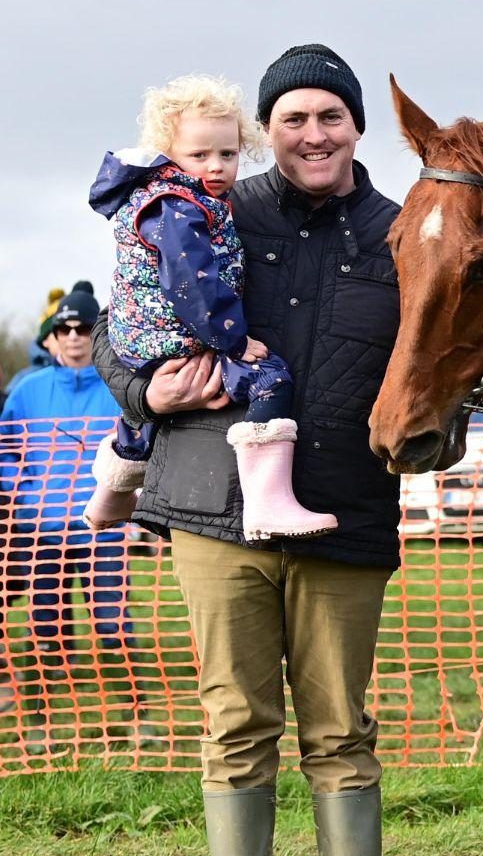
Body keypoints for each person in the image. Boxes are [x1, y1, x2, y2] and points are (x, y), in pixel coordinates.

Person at [93, 43, 403, 856]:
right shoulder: (210, 201)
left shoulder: (400, 232)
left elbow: (438, 363)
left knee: (342, 728)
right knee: (234, 722)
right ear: (268, 130)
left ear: (357, 125)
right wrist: (149, 387)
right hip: (214, 510)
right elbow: (118, 324)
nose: (314, 133)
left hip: (344, 514)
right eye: (295, 118)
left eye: (331, 116)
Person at [84, 75, 333, 540]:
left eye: (228, 153)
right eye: (199, 155)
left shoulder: (183, 200)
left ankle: (110, 495)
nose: (216, 166)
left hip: (143, 337)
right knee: (269, 378)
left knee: (145, 415)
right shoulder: (179, 207)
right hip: (174, 333)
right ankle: (267, 503)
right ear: (169, 154)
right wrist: (233, 341)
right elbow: (193, 284)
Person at [0, 285, 130, 741]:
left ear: (98, 335)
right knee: (44, 627)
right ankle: (37, 722)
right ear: (52, 337)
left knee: (114, 627)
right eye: (65, 328)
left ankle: (139, 717)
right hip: (43, 530)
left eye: (83, 328)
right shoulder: (28, 390)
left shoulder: (121, 389)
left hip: (105, 529)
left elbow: (143, 449)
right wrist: (19, 485)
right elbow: (6, 449)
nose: (74, 336)